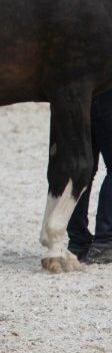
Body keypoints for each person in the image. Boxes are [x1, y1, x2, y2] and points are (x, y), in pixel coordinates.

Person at [67, 89, 112, 263]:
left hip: (79, 94)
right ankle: (104, 241)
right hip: (107, 88)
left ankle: (77, 241)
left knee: (81, 168)